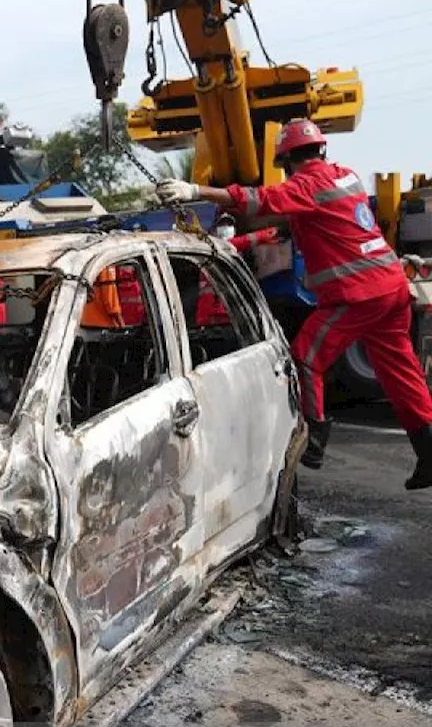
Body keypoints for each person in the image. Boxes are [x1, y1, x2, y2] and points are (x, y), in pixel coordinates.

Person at [157, 118, 432, 490]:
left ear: (286, 161)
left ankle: (314, 441)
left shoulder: (306, 185)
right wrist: (244, 243)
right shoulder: (344, 177)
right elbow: (292, 227)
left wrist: (195, 190)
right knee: (400, 373)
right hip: (391, 290)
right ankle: (428, 454)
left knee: (305, 358)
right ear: (321, 149)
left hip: (357, 295)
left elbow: (258, 200)